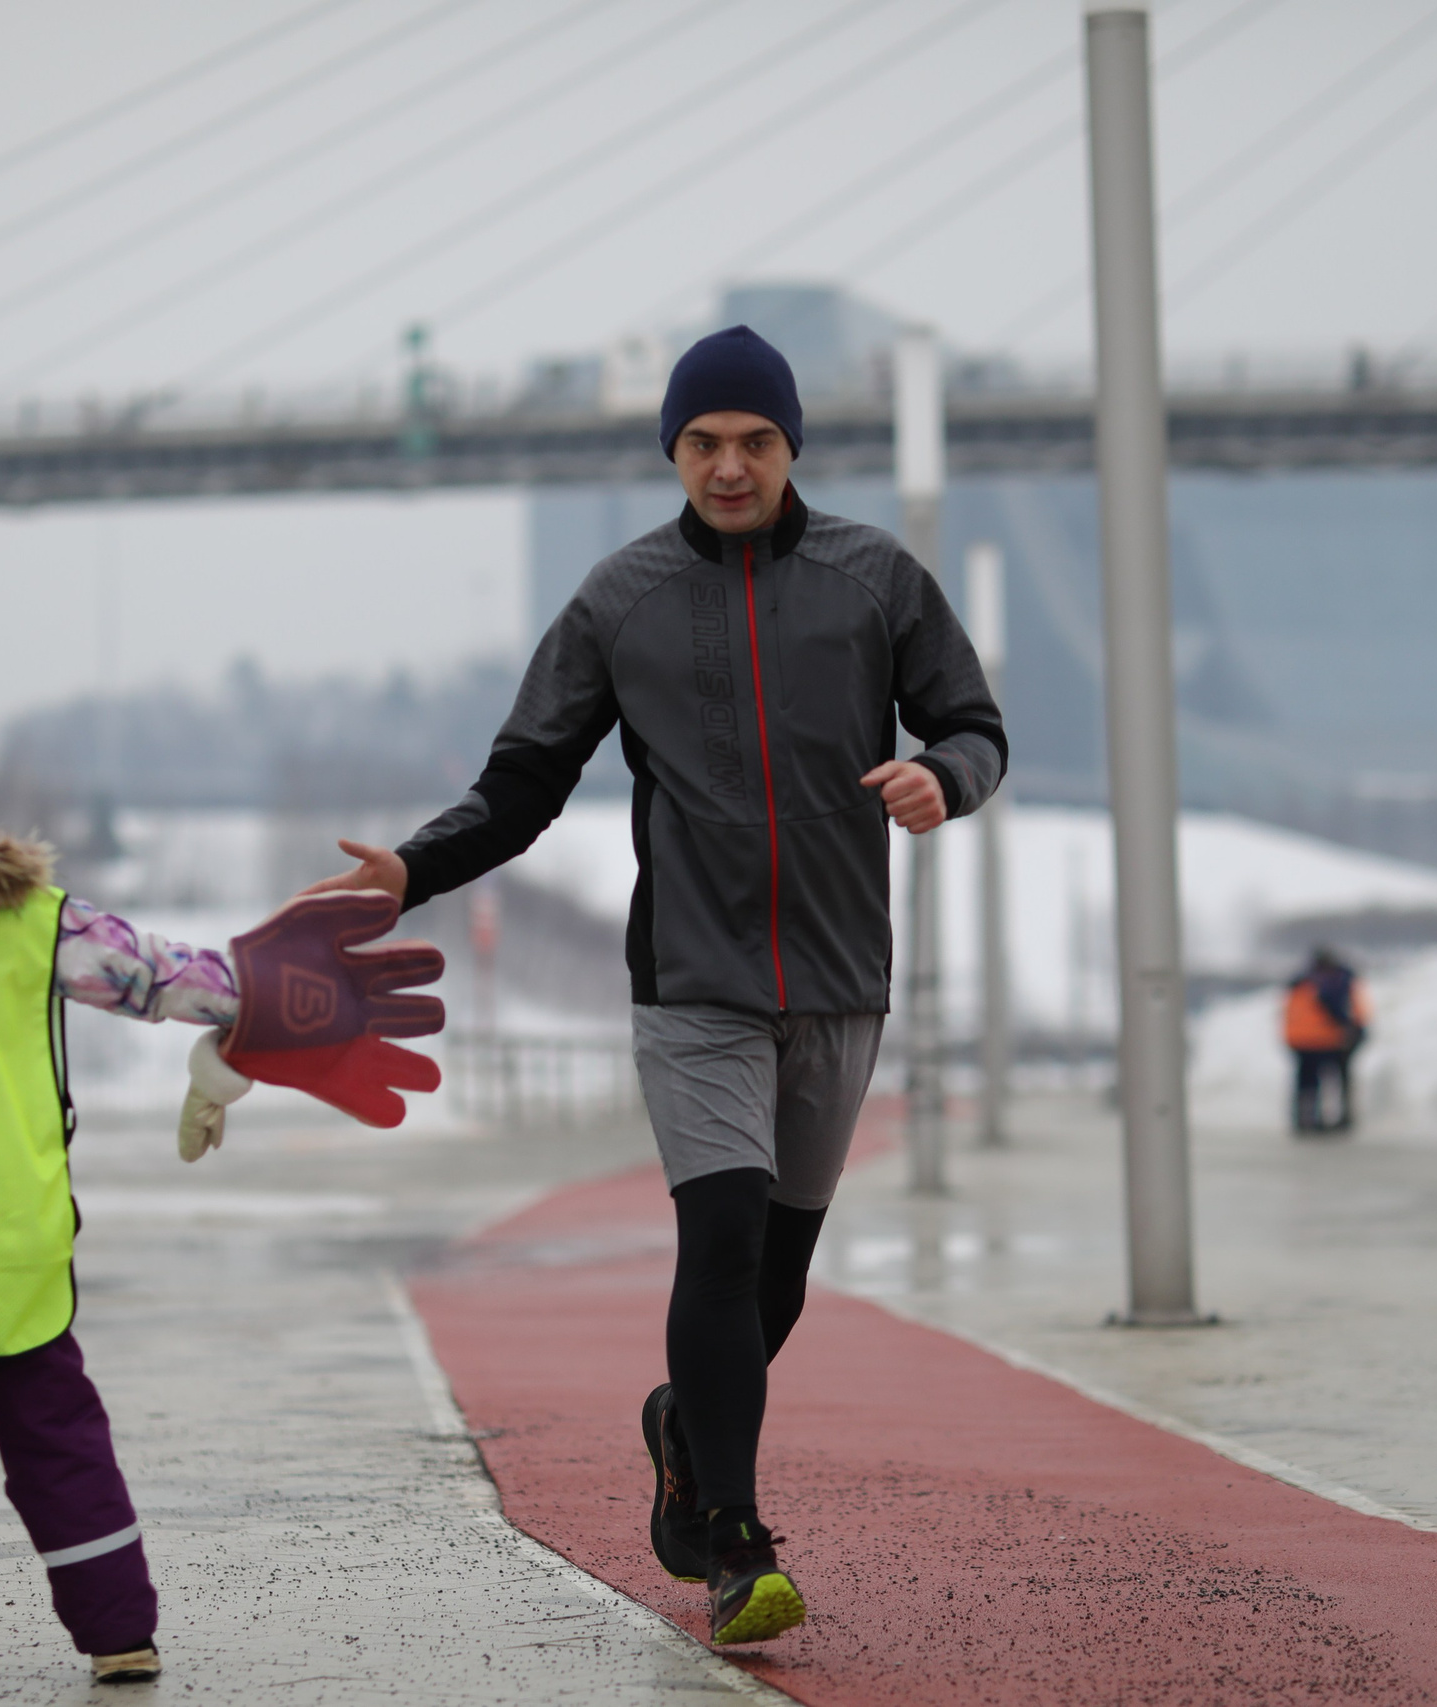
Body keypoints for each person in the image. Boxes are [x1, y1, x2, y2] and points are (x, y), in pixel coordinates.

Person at [304, 325, 1005, 1645]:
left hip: (844, 975)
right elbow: (524, 782)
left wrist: (943, 778)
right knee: (725, 1242)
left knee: (780, 1274)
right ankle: (737, 1544)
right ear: (671, 451)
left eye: (753, 440)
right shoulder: (618, 600)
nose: (728, 465)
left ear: (792, 444)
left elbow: (976, 724)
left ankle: (683, 1425)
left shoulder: (877, 580)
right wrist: (411, 867)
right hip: (692, 976)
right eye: (702, 443)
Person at [0, 674, 443, 1698]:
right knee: (56, 1436)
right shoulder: (27, 914)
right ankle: (118, 1634)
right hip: (9, 1231)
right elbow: (159, 976)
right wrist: (263, 986)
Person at [1282, 948, 1366, 1134]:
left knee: (1307, 1082)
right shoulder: (1334, 982)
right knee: (1332, 1080)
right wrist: (1352, 1029)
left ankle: (1305, 1119)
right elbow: (1342, 1009)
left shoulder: (1300, 983)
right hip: (1326, 1039)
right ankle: (1332, 1118)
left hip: (1300, 1041)